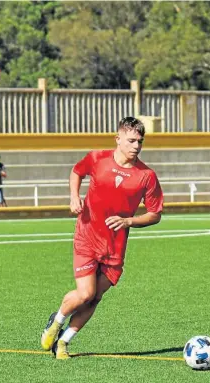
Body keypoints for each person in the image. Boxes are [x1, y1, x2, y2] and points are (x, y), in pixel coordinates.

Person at [41, 116, 164, 360]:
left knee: (96, 297)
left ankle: (64, 342)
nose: (136, 146)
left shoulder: (146, 176)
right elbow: (77, 171)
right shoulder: (97, 158)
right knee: (85, 293)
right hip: (87, 236)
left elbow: (155, 214)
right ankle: (56, 322)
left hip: (115, 247)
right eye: (131, 140)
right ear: (117, 139)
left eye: (140, 141)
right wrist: (74, 197)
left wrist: (129, 221)